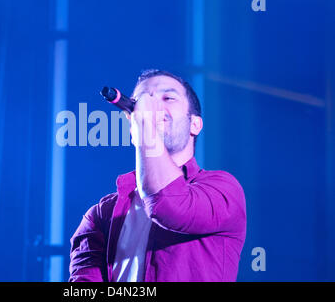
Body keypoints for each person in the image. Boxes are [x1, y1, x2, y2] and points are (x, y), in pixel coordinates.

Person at [69, 69, 246, 282]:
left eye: (168, 98)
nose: (151, 107)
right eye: (142, 100)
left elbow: (167, 202)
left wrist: (145, 125)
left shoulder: (222, 189)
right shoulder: (100, 215)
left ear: (195, 124)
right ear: (131, 127)